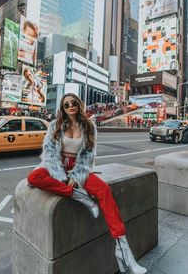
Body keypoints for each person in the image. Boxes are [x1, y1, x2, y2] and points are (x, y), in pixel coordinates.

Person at [27, 93, 147, 274]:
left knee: (104, 191)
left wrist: (76, 176)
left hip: (79, 167)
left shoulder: (89, 126)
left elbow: (88, 156)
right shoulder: (55, 125)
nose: (70, 107)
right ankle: (79, 196)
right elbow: (50, 154)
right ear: (63, 109)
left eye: (73, 103)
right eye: (66, 105)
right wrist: (62, 178)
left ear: (79, 105)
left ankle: (124, 251)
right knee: (33, 178)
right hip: (58, 165)